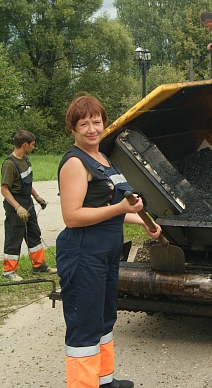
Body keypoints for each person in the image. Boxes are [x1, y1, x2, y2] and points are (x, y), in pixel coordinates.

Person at [56, 95, 162, 388]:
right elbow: (73, 216)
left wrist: (143, 221)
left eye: (96, 121)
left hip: (105, 251)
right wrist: (121, 209)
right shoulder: (75, 163)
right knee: (84, 325)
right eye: (83, 123)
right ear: (73, 128)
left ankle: (104, 381)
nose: (91, 128)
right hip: (83, 253)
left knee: (104, 318)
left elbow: (110, 212)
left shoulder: (102, 159)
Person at [0, 130, 56, 281]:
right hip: (15, 206)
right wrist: (18, 207)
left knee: (33, 233)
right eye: (32, 145)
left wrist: (36, 196)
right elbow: (4, 190)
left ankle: (39, 266)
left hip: (28, 202)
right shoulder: (9, 164)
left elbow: (27, 182)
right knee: (14, 237)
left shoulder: (25, 160)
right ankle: (9, 271)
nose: (33, 147)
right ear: (24, 144)